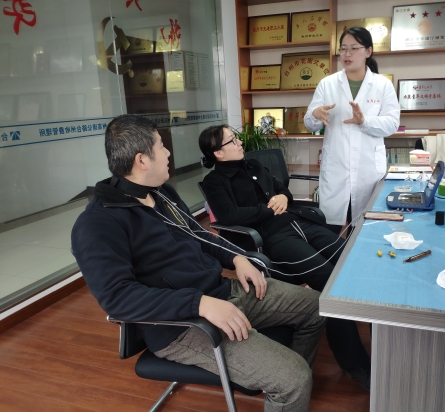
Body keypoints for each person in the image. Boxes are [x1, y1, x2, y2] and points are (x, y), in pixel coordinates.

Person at [71, 114, 326, 412]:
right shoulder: (98, 223)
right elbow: (118, 299)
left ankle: (285, 387)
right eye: (161, 146)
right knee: (293, 379)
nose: (168, 153)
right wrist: (199, 304)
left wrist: (237, 257)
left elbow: (199, 235)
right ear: (142, 160)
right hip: (182, 326)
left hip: (221, 292)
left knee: (317, 307)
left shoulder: (162, 194)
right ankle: (288, 384)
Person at [199, 124, 373, 390]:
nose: (239, 143)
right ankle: (353, 362)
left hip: (298, 222)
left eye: (236, 138)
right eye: (232, 141)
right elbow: (229, 216)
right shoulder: (215, 182)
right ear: (218, 153)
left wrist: (281, 196)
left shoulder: (254, 165)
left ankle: (380, 337)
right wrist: (269, 209)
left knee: (351, 262)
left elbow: (284, 192)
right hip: (272, 237)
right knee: (330, 280)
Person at [304, 26, 400, 233]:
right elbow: (310, 124)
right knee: (330, 229)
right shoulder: (327, 84)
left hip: (368, 171)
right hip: (336, 168)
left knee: (365, 228)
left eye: (354, 48)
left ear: (368, 51)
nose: (347, 54)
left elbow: (392, 124)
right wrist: (315, 114)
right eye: (343, 49)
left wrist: (364, 121)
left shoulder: (383, 85)